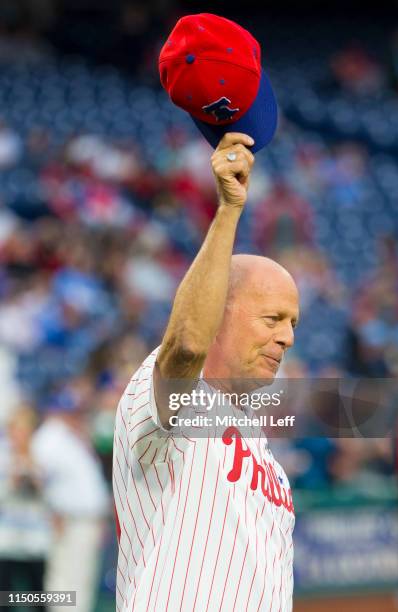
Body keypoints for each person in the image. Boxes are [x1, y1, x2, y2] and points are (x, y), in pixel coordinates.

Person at [113, 133, 300, 611]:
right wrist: (229, 211)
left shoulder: (264, 451)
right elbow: (187, 344)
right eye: (272, 319)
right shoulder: (169, 399)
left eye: (292, 323)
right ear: (219, 311)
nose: (287, 337)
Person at [31, 387, 110, 612]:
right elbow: (38, 479)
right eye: (70, 411)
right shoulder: (50, 436)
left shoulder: (72, 437)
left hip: (85, 520)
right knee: (65, 584)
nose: (75, 415)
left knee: (79, 581)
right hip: (69, 520)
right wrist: (51, 510)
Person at [0, 406, 50, 612]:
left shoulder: (43, 454)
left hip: (35, 539)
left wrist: (36, 478)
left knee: (38, 597)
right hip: (7, 538)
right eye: (16, 430)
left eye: (24, 430)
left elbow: (53, 496)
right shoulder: (3, 457)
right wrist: (12, 482)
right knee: (5, 598)